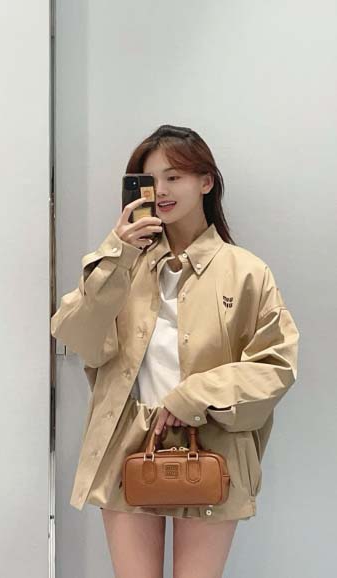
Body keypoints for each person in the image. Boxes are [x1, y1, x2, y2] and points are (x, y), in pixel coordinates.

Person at [51, 124, 300, 578]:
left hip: (213, 441)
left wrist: (194, 395)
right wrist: (117, 254)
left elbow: (276, 365)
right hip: (127, 441)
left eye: (174, 177)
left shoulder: (246, 271)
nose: (161, 190)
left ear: (206, 181)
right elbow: (78, 335)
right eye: (150, 180)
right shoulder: (122, 263)